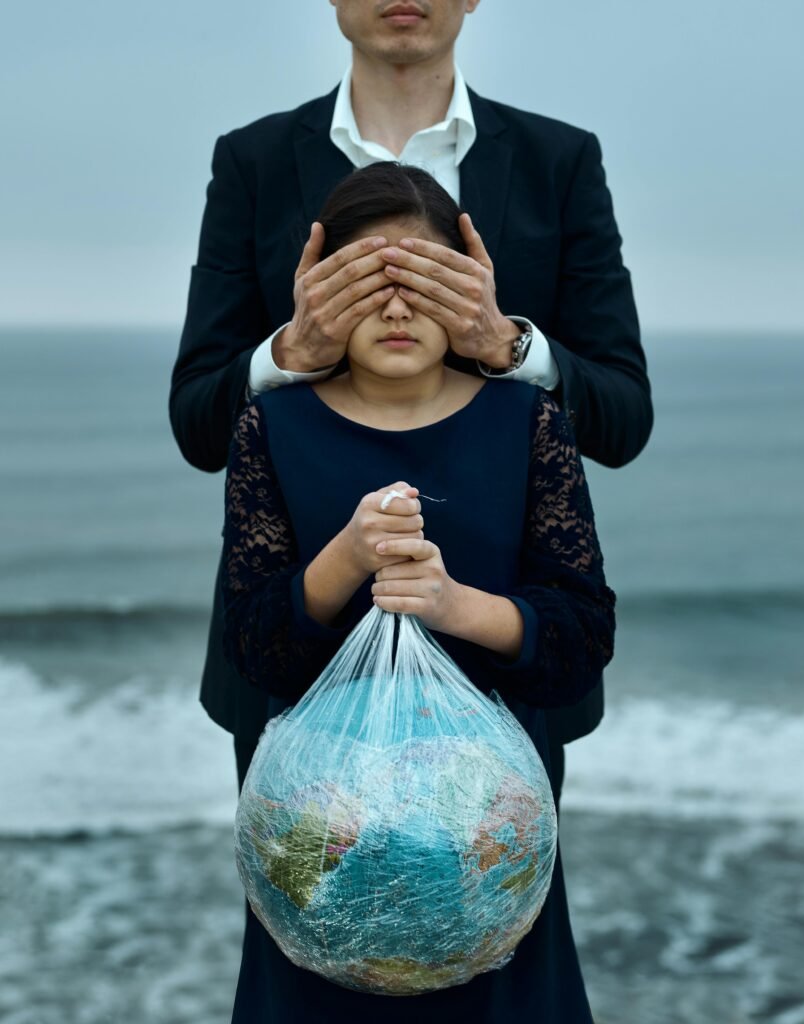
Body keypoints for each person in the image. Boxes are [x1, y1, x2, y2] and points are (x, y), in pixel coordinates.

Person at [170, 0, 651, 803]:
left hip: (504, 683)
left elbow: (623, 417)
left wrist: (503, 343)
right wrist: (293, 352)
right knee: (305, 874)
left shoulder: (557, 159)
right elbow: (195, 424)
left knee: (494, 873)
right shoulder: (253, 159)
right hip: (292, 683)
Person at [221, 160, 615, 1023]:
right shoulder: (271, 425)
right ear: (318, 289)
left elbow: (581, 635)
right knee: (314, 985)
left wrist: (450, 605)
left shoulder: (528, 419)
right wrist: (344, 560)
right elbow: (254, 646)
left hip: (481, 821)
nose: (397, 309)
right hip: (321, 823)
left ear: (470, 287)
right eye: (368, 282)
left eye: (423, 281)